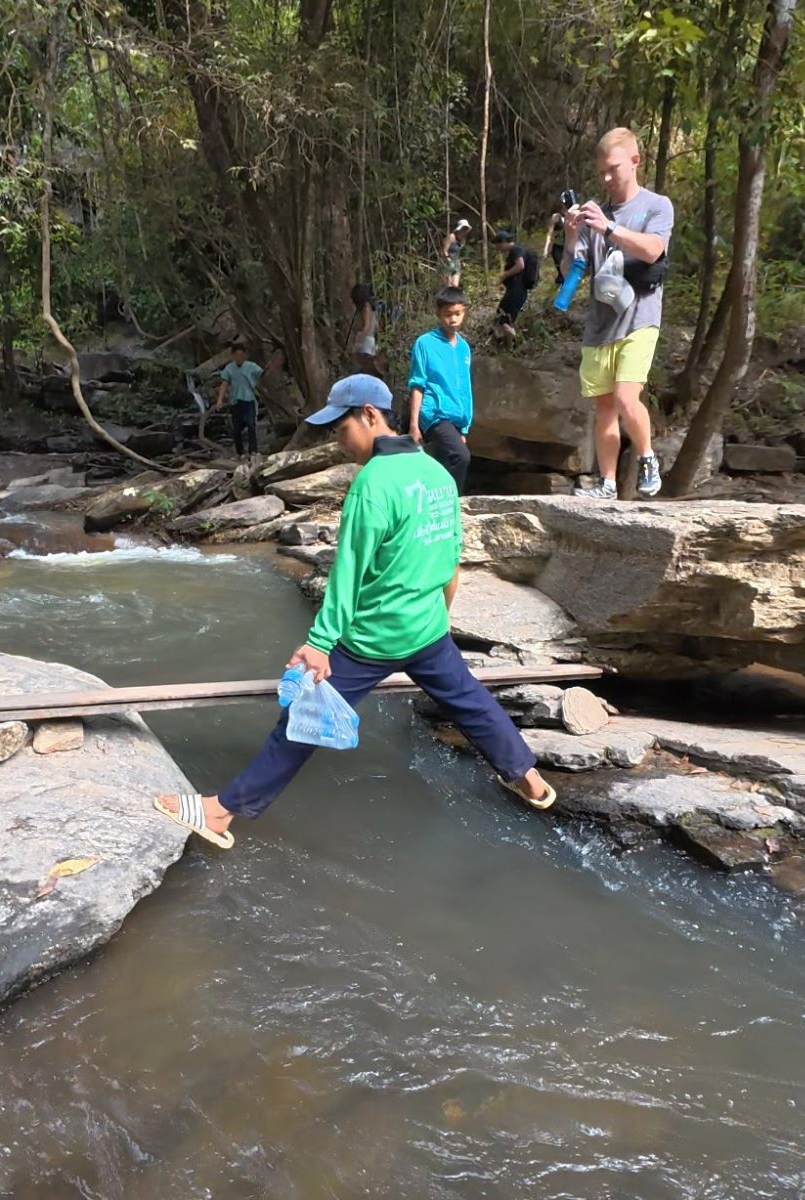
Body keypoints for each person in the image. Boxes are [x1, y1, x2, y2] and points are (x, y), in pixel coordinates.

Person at [153, 373, 556, 849]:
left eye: (342, 429)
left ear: (369, 415)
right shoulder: (437, 474)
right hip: (427, 629)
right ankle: (529, 780)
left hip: (374, 639)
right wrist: (438, 622)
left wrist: (319, 644)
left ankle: (220, 813)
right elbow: (451, 562)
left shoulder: (372, 483)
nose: (340, 443)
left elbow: (348, 573)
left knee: (301, 718)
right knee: (469, 700)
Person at [562, 127, 673, 500]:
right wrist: (572, 236)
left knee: (627, 397)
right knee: (605, 407)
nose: (607, 178)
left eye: (614, 169)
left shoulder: (656, 206)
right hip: (600, 326)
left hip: (640, 319)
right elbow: (571, 273)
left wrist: (609, 228)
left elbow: (653, 250)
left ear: (635, 161)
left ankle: (647, 457)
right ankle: (607, 484)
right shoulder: (595, 214)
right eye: (601, 173)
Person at [407, 286, 472, 494]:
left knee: (443, 461)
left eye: (457, 314)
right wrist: (414, 425)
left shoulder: (463, 347)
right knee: (461, 456)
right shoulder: (425, 343)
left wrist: (464, 427)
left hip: (456, 417)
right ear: (438, 314)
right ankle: (453, 502)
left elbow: (465, 388)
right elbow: (417, 384)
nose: (453, 319)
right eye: (447, 314)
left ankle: (433, 499)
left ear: (464, 312)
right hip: (434, 413)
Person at [215, 344, 266, 461]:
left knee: (251, 424)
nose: (239, 358)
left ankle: (253, 451)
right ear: (233, 356)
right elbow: (224, 384)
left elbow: (263, 374)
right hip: (235, 401)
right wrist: (220, 400)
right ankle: (240, 452)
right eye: (237, 356)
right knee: (236, 428)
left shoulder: (251, 366)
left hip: (249, 400)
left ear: (245, 356)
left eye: (241, 355)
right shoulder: (229, 368)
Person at [493, 230, 530, 341]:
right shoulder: (518, 250)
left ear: (504, 242)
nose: (498, 249)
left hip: (516, 291)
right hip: (516, 291)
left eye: (498, 245)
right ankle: (508, 343)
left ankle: (515, 342)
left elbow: (520, 266)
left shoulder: (515, 250)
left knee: (504, 320)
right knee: (504, 318)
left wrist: (505, 274)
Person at [349, 284, 379, 372]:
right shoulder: (366, 307)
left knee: (363, 367)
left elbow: (366, 326)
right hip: (367, 340)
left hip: (365, 341)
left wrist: (358, 342)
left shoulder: (366, 308)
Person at [441, 219, 471, 286]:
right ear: (459, 229)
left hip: (456, 263)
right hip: (447, 263)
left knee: (455, 285)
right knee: (448, 285)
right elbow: (444, 250)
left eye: (466, 229)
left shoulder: (463, 240)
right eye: (463, 228)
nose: (464, 231)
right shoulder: (451, 237)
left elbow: (460, 253)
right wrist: (449, 261)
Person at [543, 206, 566, 287]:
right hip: (557, 247)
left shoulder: (571, 216)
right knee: (560, 267)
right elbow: (549, 233)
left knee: (566, 270)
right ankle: (561, 284)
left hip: (567, 247)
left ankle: (559, 284)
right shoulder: (556, 217)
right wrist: (546, 249)